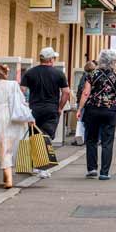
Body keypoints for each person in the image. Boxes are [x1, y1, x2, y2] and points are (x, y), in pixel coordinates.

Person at [76, 49, 116, 180]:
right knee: (107, 142)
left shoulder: (92, 75)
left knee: (91, 139)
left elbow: (86, 93)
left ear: (101, 60)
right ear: (113, 62)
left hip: (92, 110)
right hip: (109, 111)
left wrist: (80, 109)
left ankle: (92, 168)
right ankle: (104, 172)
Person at [20, 47, 69, 178]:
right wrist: (60, 107)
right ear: (51, 59)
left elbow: (22, 91)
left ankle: (36, 166)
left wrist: (24, 106)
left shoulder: (30, 73)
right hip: (51, 109)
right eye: (54, 58)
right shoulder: (59, 74)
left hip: (34, 110)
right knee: (46, 137)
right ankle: (43, 168)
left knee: (35, 136)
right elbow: (66, 92)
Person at [72, 61, 97, 146]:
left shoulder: (85, 76)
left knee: (80, 120)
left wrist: (79, 102)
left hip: (83, 102)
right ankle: (85, 138)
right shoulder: (94, 76)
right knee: (86, 121)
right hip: (90, 103)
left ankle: (79, 140)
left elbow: (83, 90)